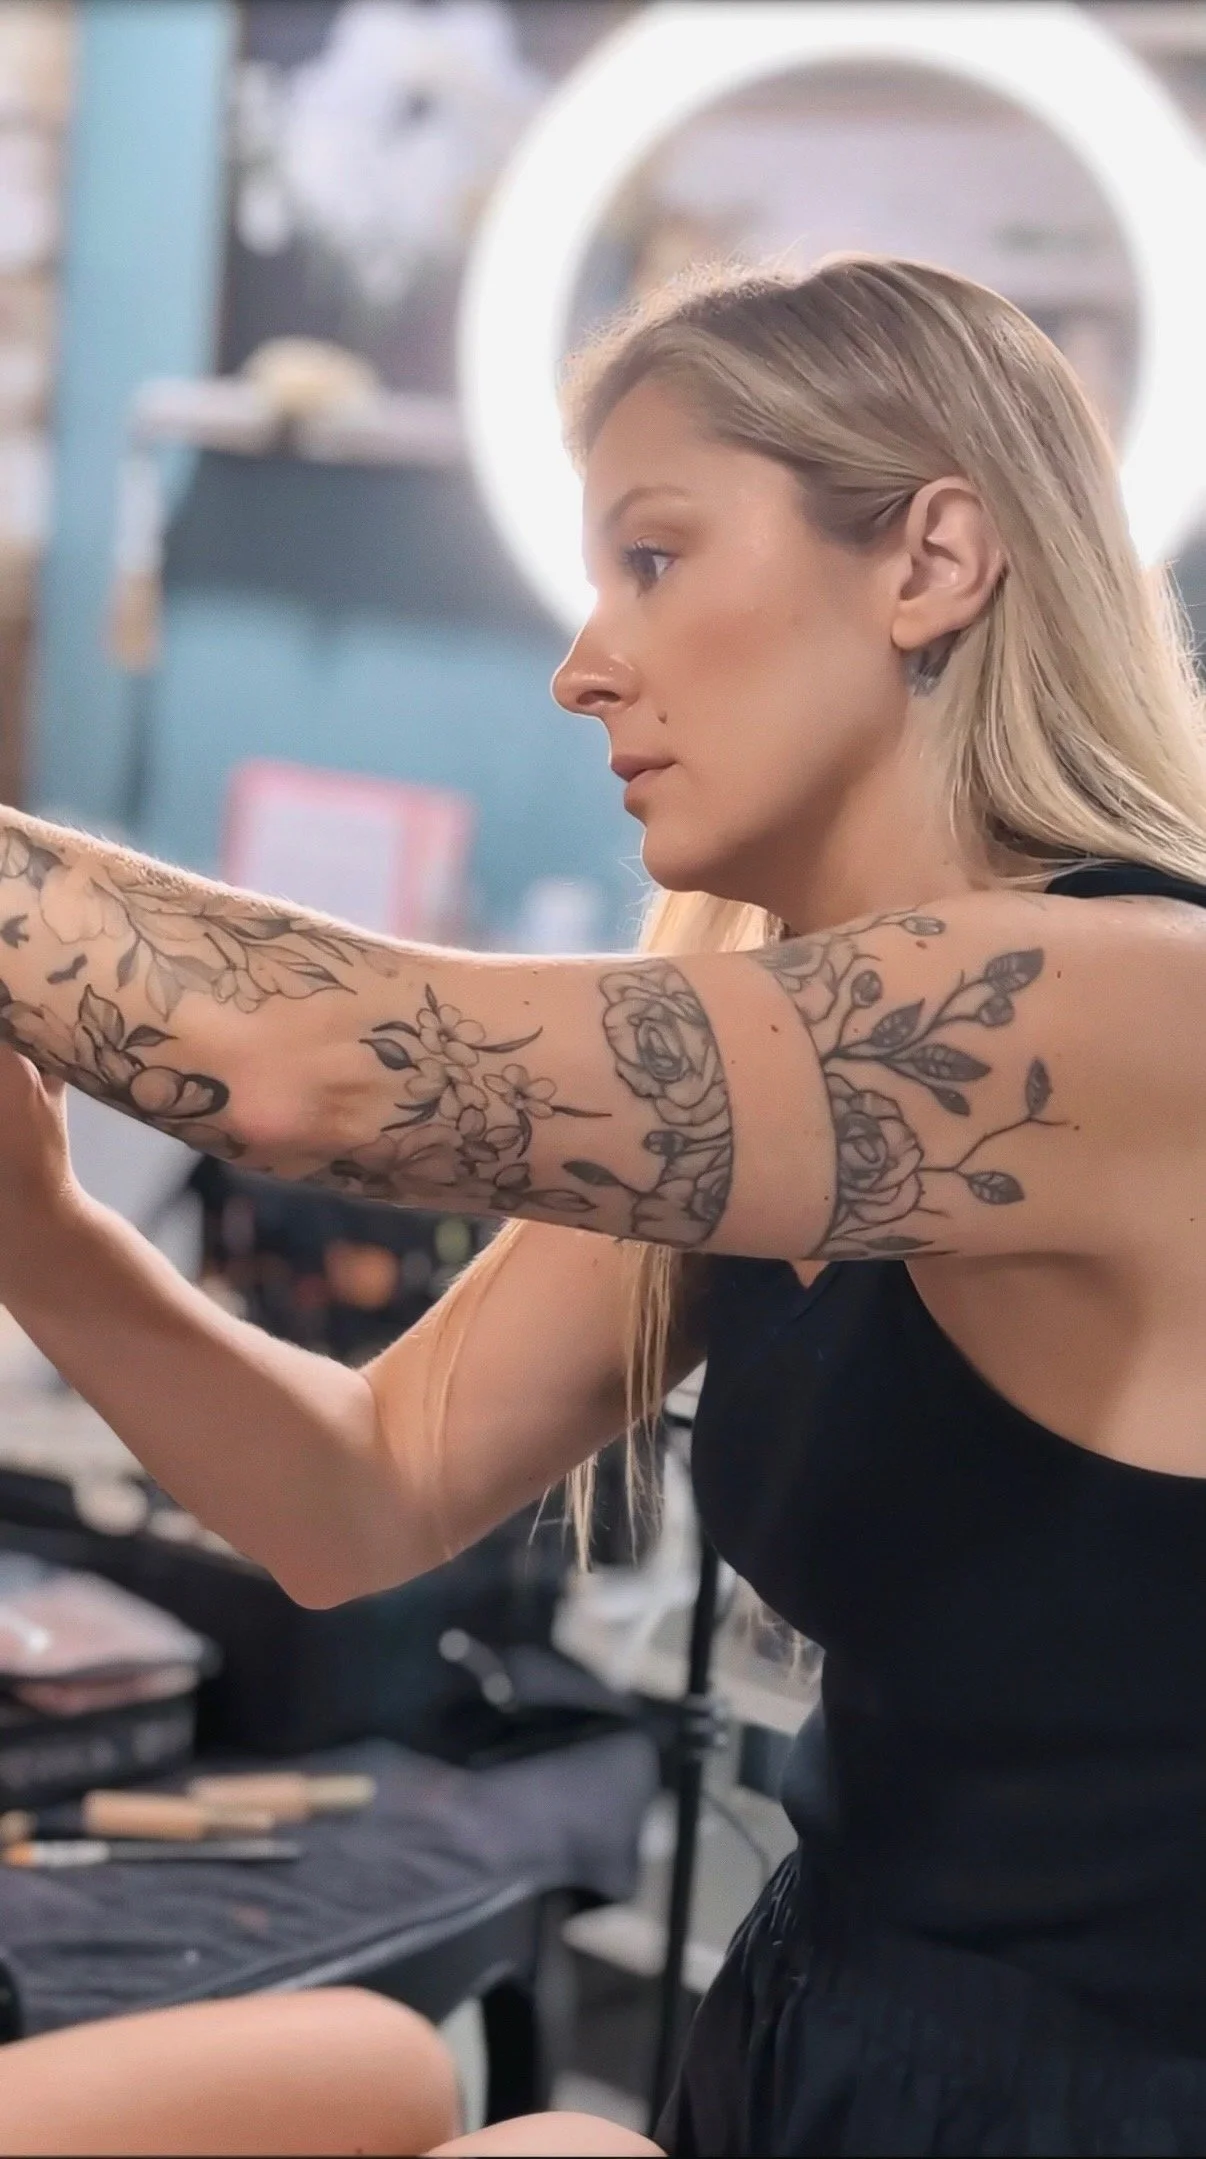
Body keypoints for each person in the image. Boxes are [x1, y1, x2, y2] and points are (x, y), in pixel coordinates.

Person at [0, 252, 1204, 2154]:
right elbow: (360, 1491)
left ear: (931, 560)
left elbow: (300, 1058)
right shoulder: (757, 1074)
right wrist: (43, 1239)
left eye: (652, 558)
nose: (581, 663)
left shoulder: (1133, 1005)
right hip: (814, 2021)